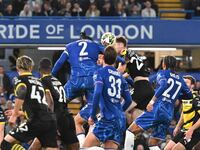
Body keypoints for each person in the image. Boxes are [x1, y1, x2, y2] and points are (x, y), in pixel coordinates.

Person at [124, 56, 193, 150]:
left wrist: (151, 102)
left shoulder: (162, 73)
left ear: (164, 64)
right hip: (168, 114)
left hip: (158, 109)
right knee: (153, 144)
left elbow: (163, 85)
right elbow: (189, 96)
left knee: (130, 131)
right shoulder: (180, 79)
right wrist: (175, 95)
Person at [52, 32, 104, 147]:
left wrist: (50, 77)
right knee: (94, 109)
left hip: (75, 81)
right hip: (92, 81)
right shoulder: (95, 45)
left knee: (58, 102)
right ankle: (88, 144)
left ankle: (54, 128)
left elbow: (59, 63)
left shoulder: (70, 46)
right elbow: (112, 56)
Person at [1, 55, 57, 150]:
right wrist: (20, 113)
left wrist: (14, 114)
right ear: (31, 67)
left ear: (17, 67)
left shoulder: (19, 79)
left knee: (5, 144)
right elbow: (49, 102)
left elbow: (22, 91)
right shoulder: (40, 81)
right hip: (50, 120)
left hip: (35, 120)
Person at [82, 46, 132, 149]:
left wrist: (92, 115)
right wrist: (119, 111)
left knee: (85, 147)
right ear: (115, 61)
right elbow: (128, 100)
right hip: (119, 120)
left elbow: (97, 93)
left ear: (103, 58)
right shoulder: (120, 76)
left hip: (107, 119)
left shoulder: (100, 72)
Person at [29, 58, 79, 150]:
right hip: (67, 116)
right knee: (74, 146)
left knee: (36, 144)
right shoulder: (57, 81)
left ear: (39, 69)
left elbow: (50, 101)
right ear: (51, 68)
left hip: (56, 117)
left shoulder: (42, 81)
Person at [164, 75, 200, 150]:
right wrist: (178, 126)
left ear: (192, 86)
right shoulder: (185, 97)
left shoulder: (196, 98)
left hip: (195, 132)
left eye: (186, 82)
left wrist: (191, 130)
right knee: (167, 148)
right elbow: (184, 113)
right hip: (184, 130)